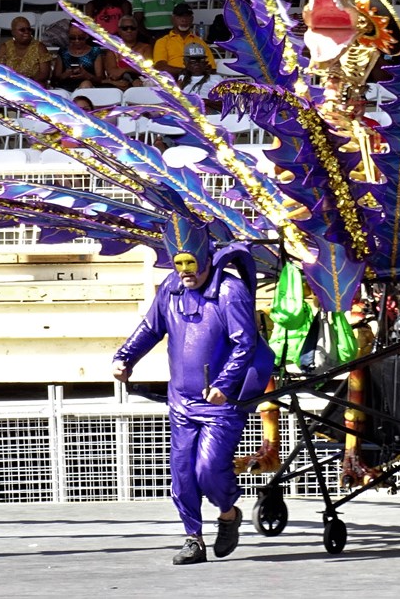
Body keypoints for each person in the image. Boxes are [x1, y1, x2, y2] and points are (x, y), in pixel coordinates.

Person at [112, 216, 274, 565]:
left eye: (191, 264)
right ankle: (193, 538)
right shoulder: (170, 288)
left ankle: (228, 513)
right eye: (179, 264)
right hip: (181, 401)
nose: (185, 271)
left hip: (220, 403)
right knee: (183, 474)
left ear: (205, 260)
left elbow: (244, 344)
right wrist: (125, 357)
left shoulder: (230, 291)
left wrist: (224, 385)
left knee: (209, 469)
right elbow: (150, 328)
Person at [153, 3, 216, 76]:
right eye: (180, 16)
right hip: (172, 80)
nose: (184, 20)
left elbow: (212, 68)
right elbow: (160, 67)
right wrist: (186, 72)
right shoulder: (162, 41)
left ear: (192, 19)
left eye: (188, 16)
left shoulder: (199, 42)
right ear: (173, 19)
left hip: (196, 80)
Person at [0, 16, 51, 85]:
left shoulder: (40, 47)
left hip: (34, 87)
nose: (26, 32)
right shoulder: (5, 47)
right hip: (10, 87)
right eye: (22, 30)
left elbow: (44, 74)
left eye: (29, 29)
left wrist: (25, 82)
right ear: (13, 32)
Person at [102, 17, 153, 90]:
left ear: (137, 30)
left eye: (132, 28)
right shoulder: (113, 50)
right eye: (125, 28)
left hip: (143, 86)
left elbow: (147, 70)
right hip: (119, 86)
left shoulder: (146, 48)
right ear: (119, 31)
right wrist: (134, 70)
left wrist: (124, 70)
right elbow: (113, 73)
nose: (129, 31)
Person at [51, 25, 105, 91]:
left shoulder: (95, 51)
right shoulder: (63, 51)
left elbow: (101, 79)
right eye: (72, 38)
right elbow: (54, 80)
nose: (77, 41)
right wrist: (65, 75)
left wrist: (86, 75)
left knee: (85, 84)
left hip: (88, 87)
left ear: (86, 36)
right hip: (65, 87)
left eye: (81, 38)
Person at [177, 42, 223, 111]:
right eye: (192, 61)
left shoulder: (216, 79)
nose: (197, 64)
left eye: (201, 60)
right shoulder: (182, 79)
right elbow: (174, 101)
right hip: (187, 111)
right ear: (185, 62)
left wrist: (207, 102)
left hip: (209, 111)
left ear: (205, 62)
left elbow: (225, 104)